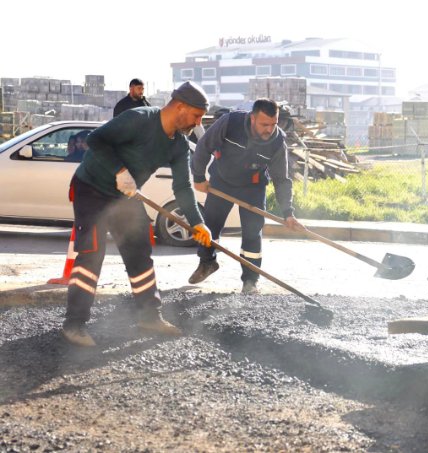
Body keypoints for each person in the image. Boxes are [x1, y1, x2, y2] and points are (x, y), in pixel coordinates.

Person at [61, 81, 214, 347]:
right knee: (91, 254)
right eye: (196, 116)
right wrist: (120, 170)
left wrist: (198, 223)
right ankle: (74, 324)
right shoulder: (139, 118)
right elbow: (95, 139)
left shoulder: (178, 145)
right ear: (180, 107)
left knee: (139, 251)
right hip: (91, 189)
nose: (197, 123)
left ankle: (149, 316)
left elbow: (183, 187)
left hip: (125, 196)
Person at [188, 98, 303, 294]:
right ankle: (207, 263)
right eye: (264, 124)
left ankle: (250, 281)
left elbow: (281, 179)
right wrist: (199, 177)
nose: (269, 129)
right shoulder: (230, 123)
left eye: (273, 124)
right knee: (210, 225)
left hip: (253, 187)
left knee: (252, 233)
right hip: (222, 181)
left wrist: (288, 212)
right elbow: (204, 146)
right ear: (252, 118)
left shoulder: (277, 142)